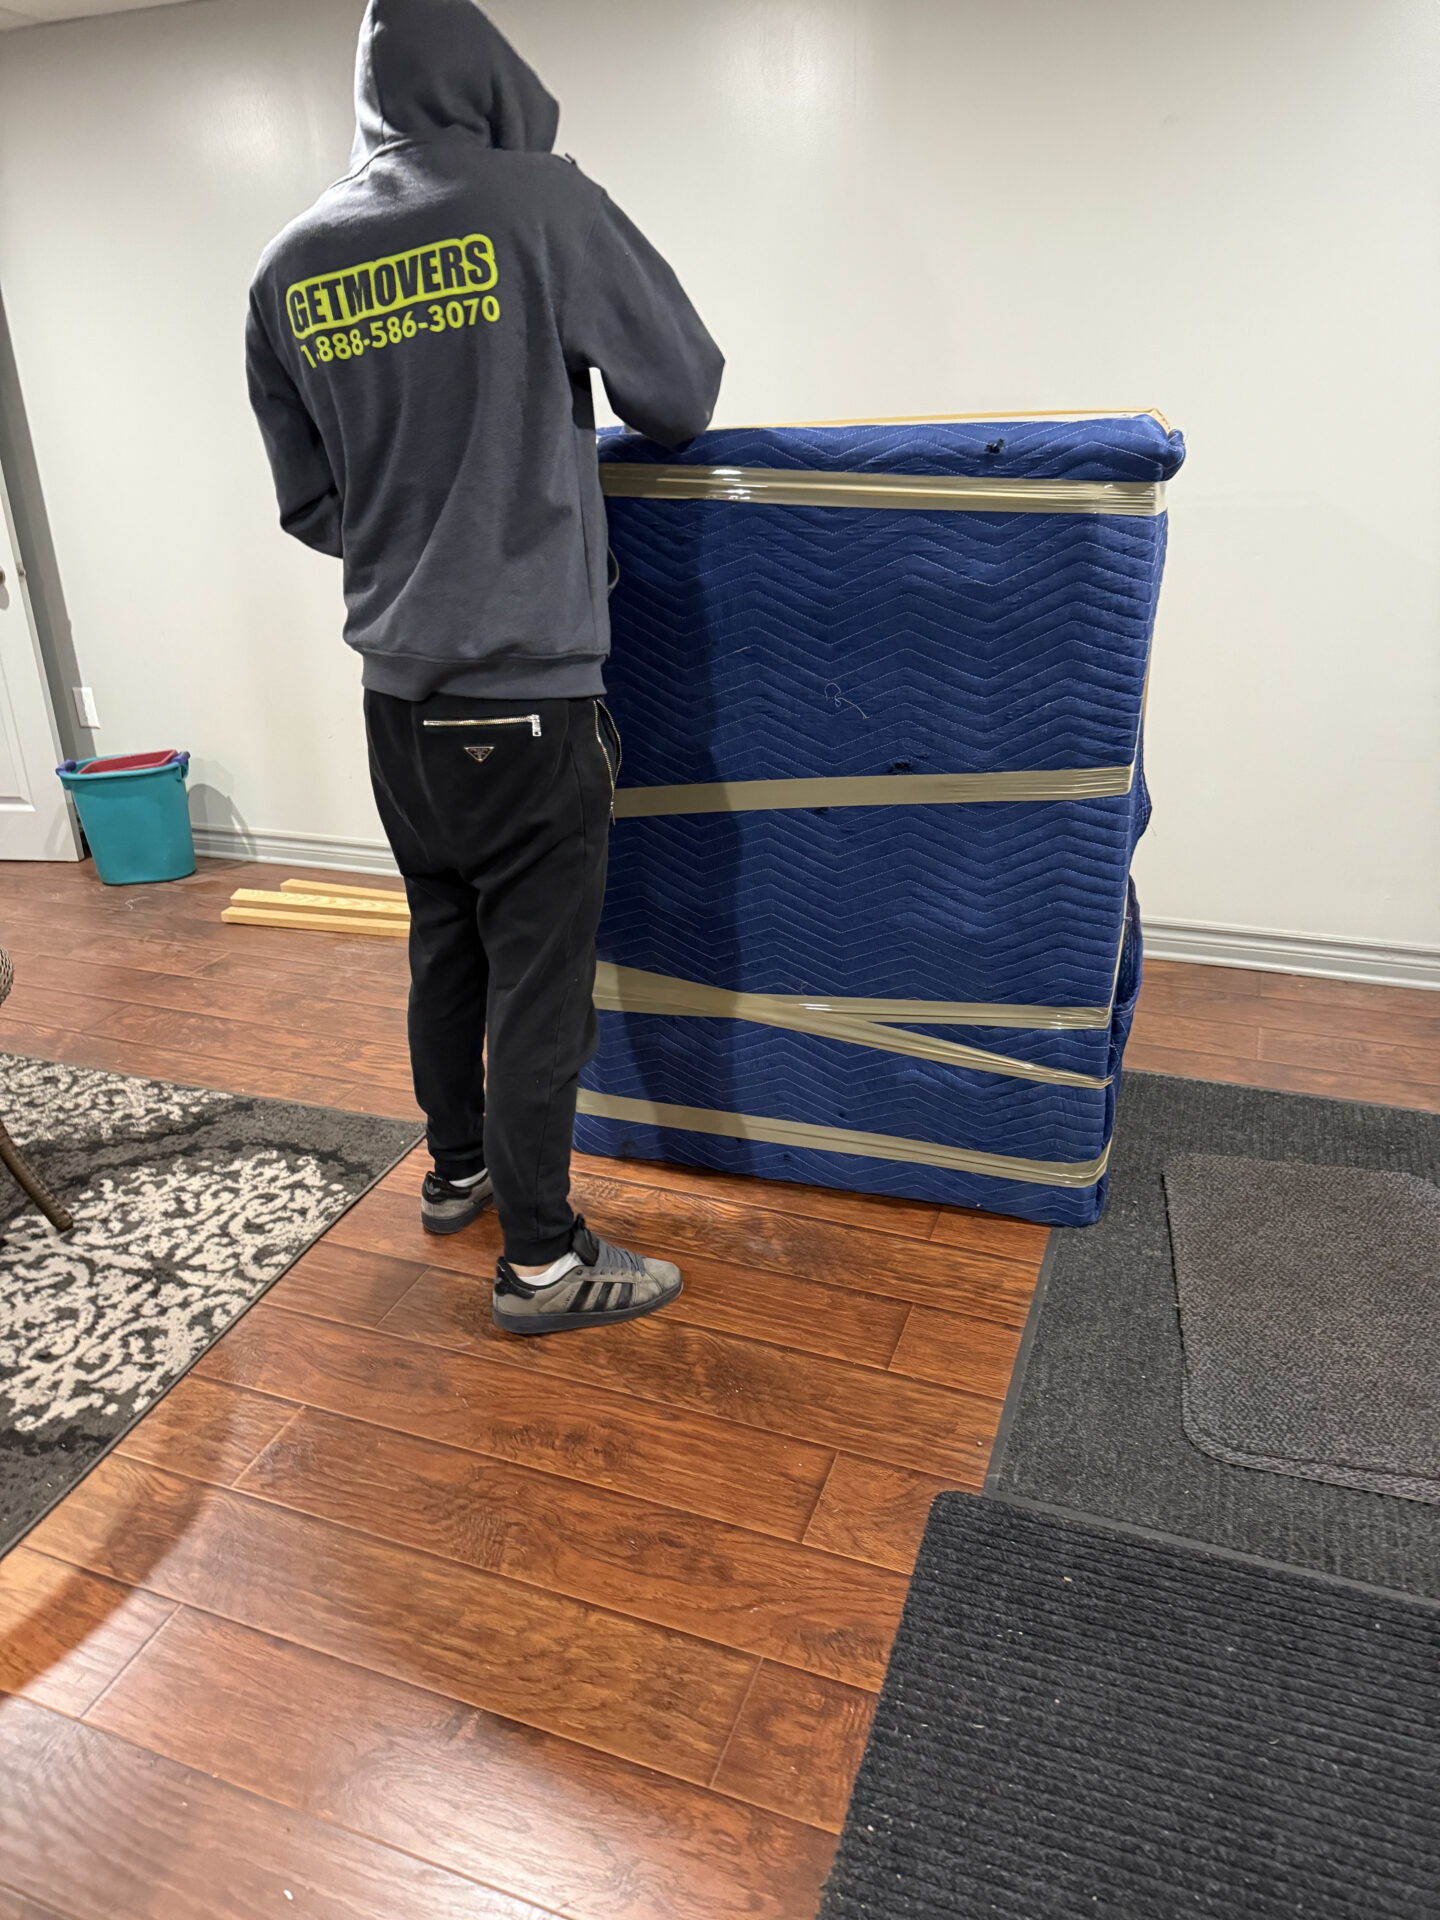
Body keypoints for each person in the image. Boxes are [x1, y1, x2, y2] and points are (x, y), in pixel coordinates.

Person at [246, 0, 722, 1335]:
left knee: (445, 938)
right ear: (492, 77)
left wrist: (421, 530)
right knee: (539, 991)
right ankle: (545, 1265)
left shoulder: (289, 263)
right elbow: (682, 391)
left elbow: (310, 503)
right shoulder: (537, 203)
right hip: (526, 686)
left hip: (396, 693)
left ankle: (454, 1171)